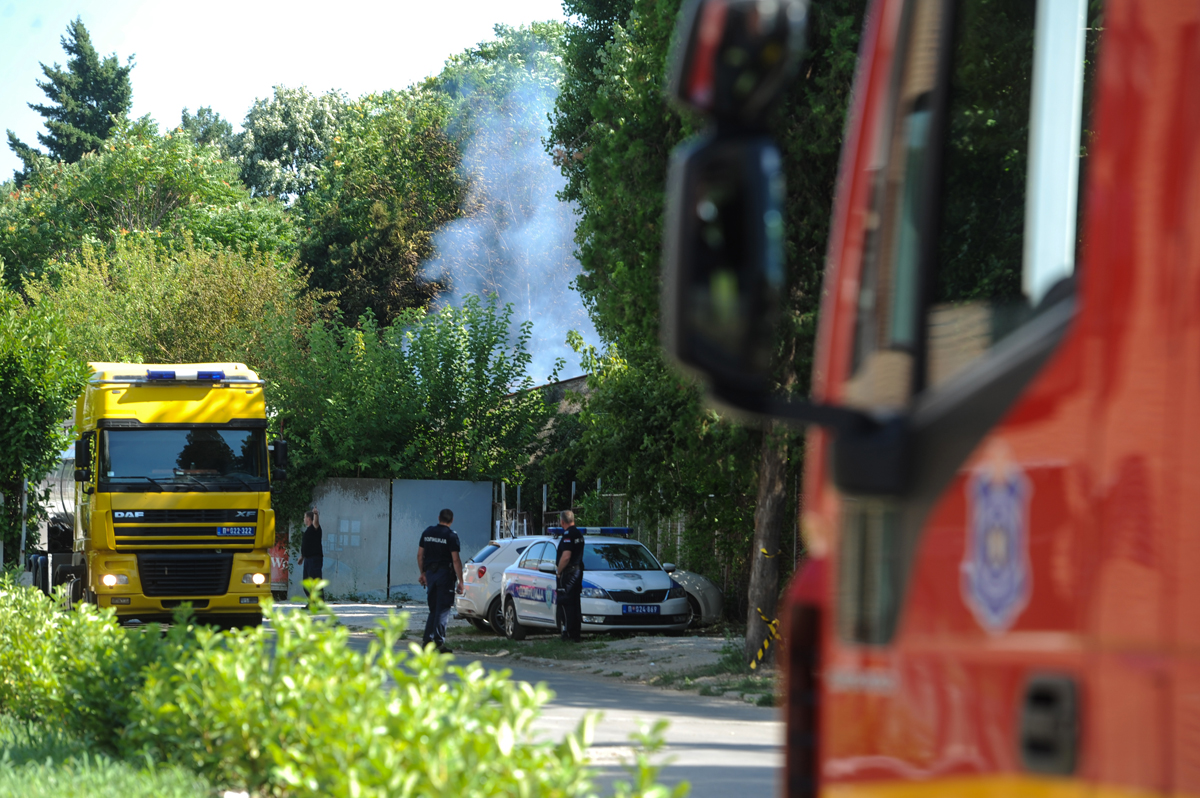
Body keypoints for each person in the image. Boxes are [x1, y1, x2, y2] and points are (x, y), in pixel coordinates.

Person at [418, 508, 463, 652]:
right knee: (442, 609)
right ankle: (438, 643)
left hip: (430, 573)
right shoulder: (451, 536)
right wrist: (461, 581)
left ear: (438, 518)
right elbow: (455, 559)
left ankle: (427, 641)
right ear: (452, 520)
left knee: (433, 608)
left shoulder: (427, 532)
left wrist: (423, 573)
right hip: (445, 575)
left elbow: (420, 555)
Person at [556, 510, 585, 642]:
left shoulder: (568, 534)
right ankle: (575, 634)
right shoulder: (579, 533)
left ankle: (568, 633)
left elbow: (566, 556)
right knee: (575, 603)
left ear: (562, 521)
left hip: (569, 573)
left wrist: (559, 571)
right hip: (577, 571)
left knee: (565, 603)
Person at [297, 508, 323, 607]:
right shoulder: (308, 531)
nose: (304, 519)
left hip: (314, 559)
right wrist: (302, 556)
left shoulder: (315, 528)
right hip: (308, 559)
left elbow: (316, 522)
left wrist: (315, 513)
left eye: (304, 517)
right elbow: (307, 545)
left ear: (308, 518)